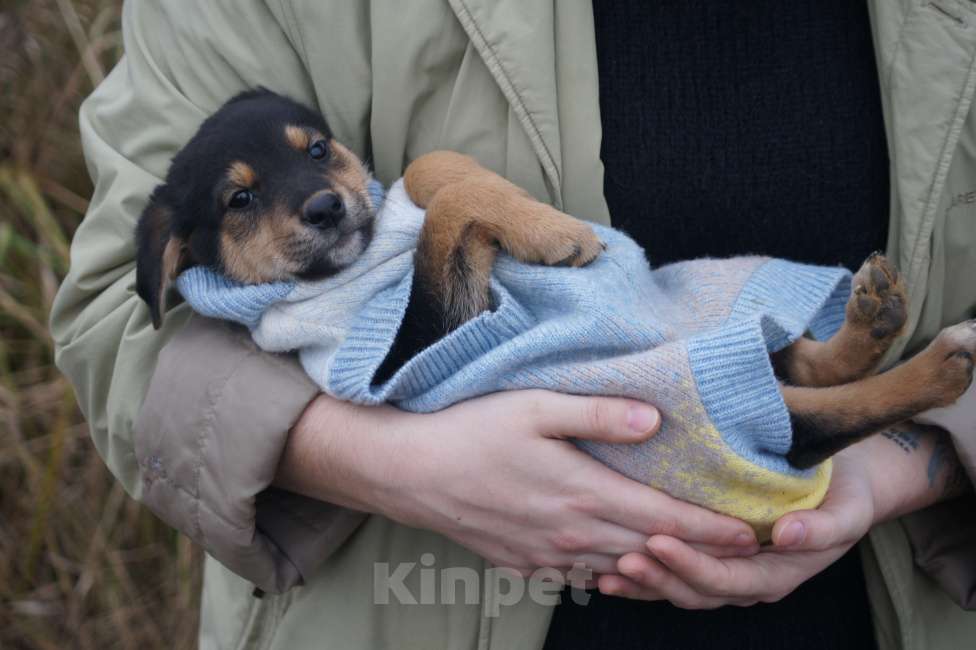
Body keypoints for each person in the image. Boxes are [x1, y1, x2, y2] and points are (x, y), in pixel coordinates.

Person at [51, 1, 976, 648]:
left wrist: (900, 470)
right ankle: (865, 383)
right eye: (245, 202)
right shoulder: (305, 314)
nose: (319, 199)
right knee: (700, 394)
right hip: (413, 607)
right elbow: (111, 323)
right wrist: (386, 461)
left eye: (320, 155)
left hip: (874, 604)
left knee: (728, 345)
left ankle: (847, 371)